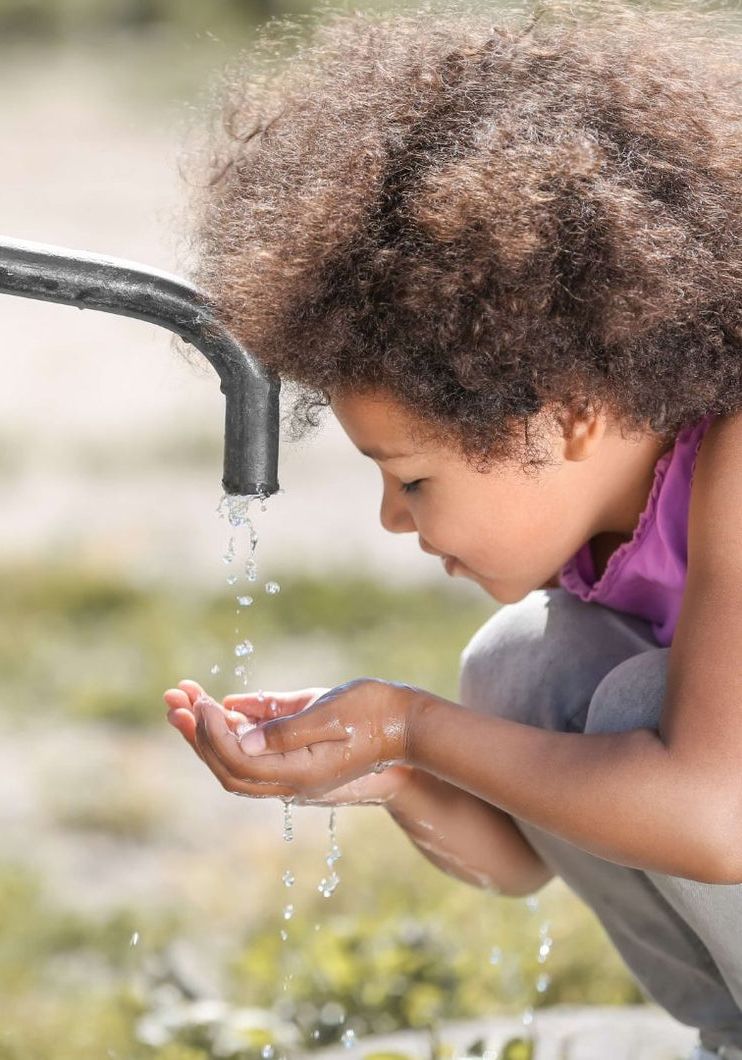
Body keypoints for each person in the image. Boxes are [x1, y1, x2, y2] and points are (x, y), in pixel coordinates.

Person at [162, 4, 742, 1057]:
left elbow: (712, 817)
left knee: (639, 705)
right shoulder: (598, 515)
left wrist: (416, 723)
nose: (393, 520)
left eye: (412, 476)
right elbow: (521, 859)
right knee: (525, 665)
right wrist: (389, 767)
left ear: (567, 412)